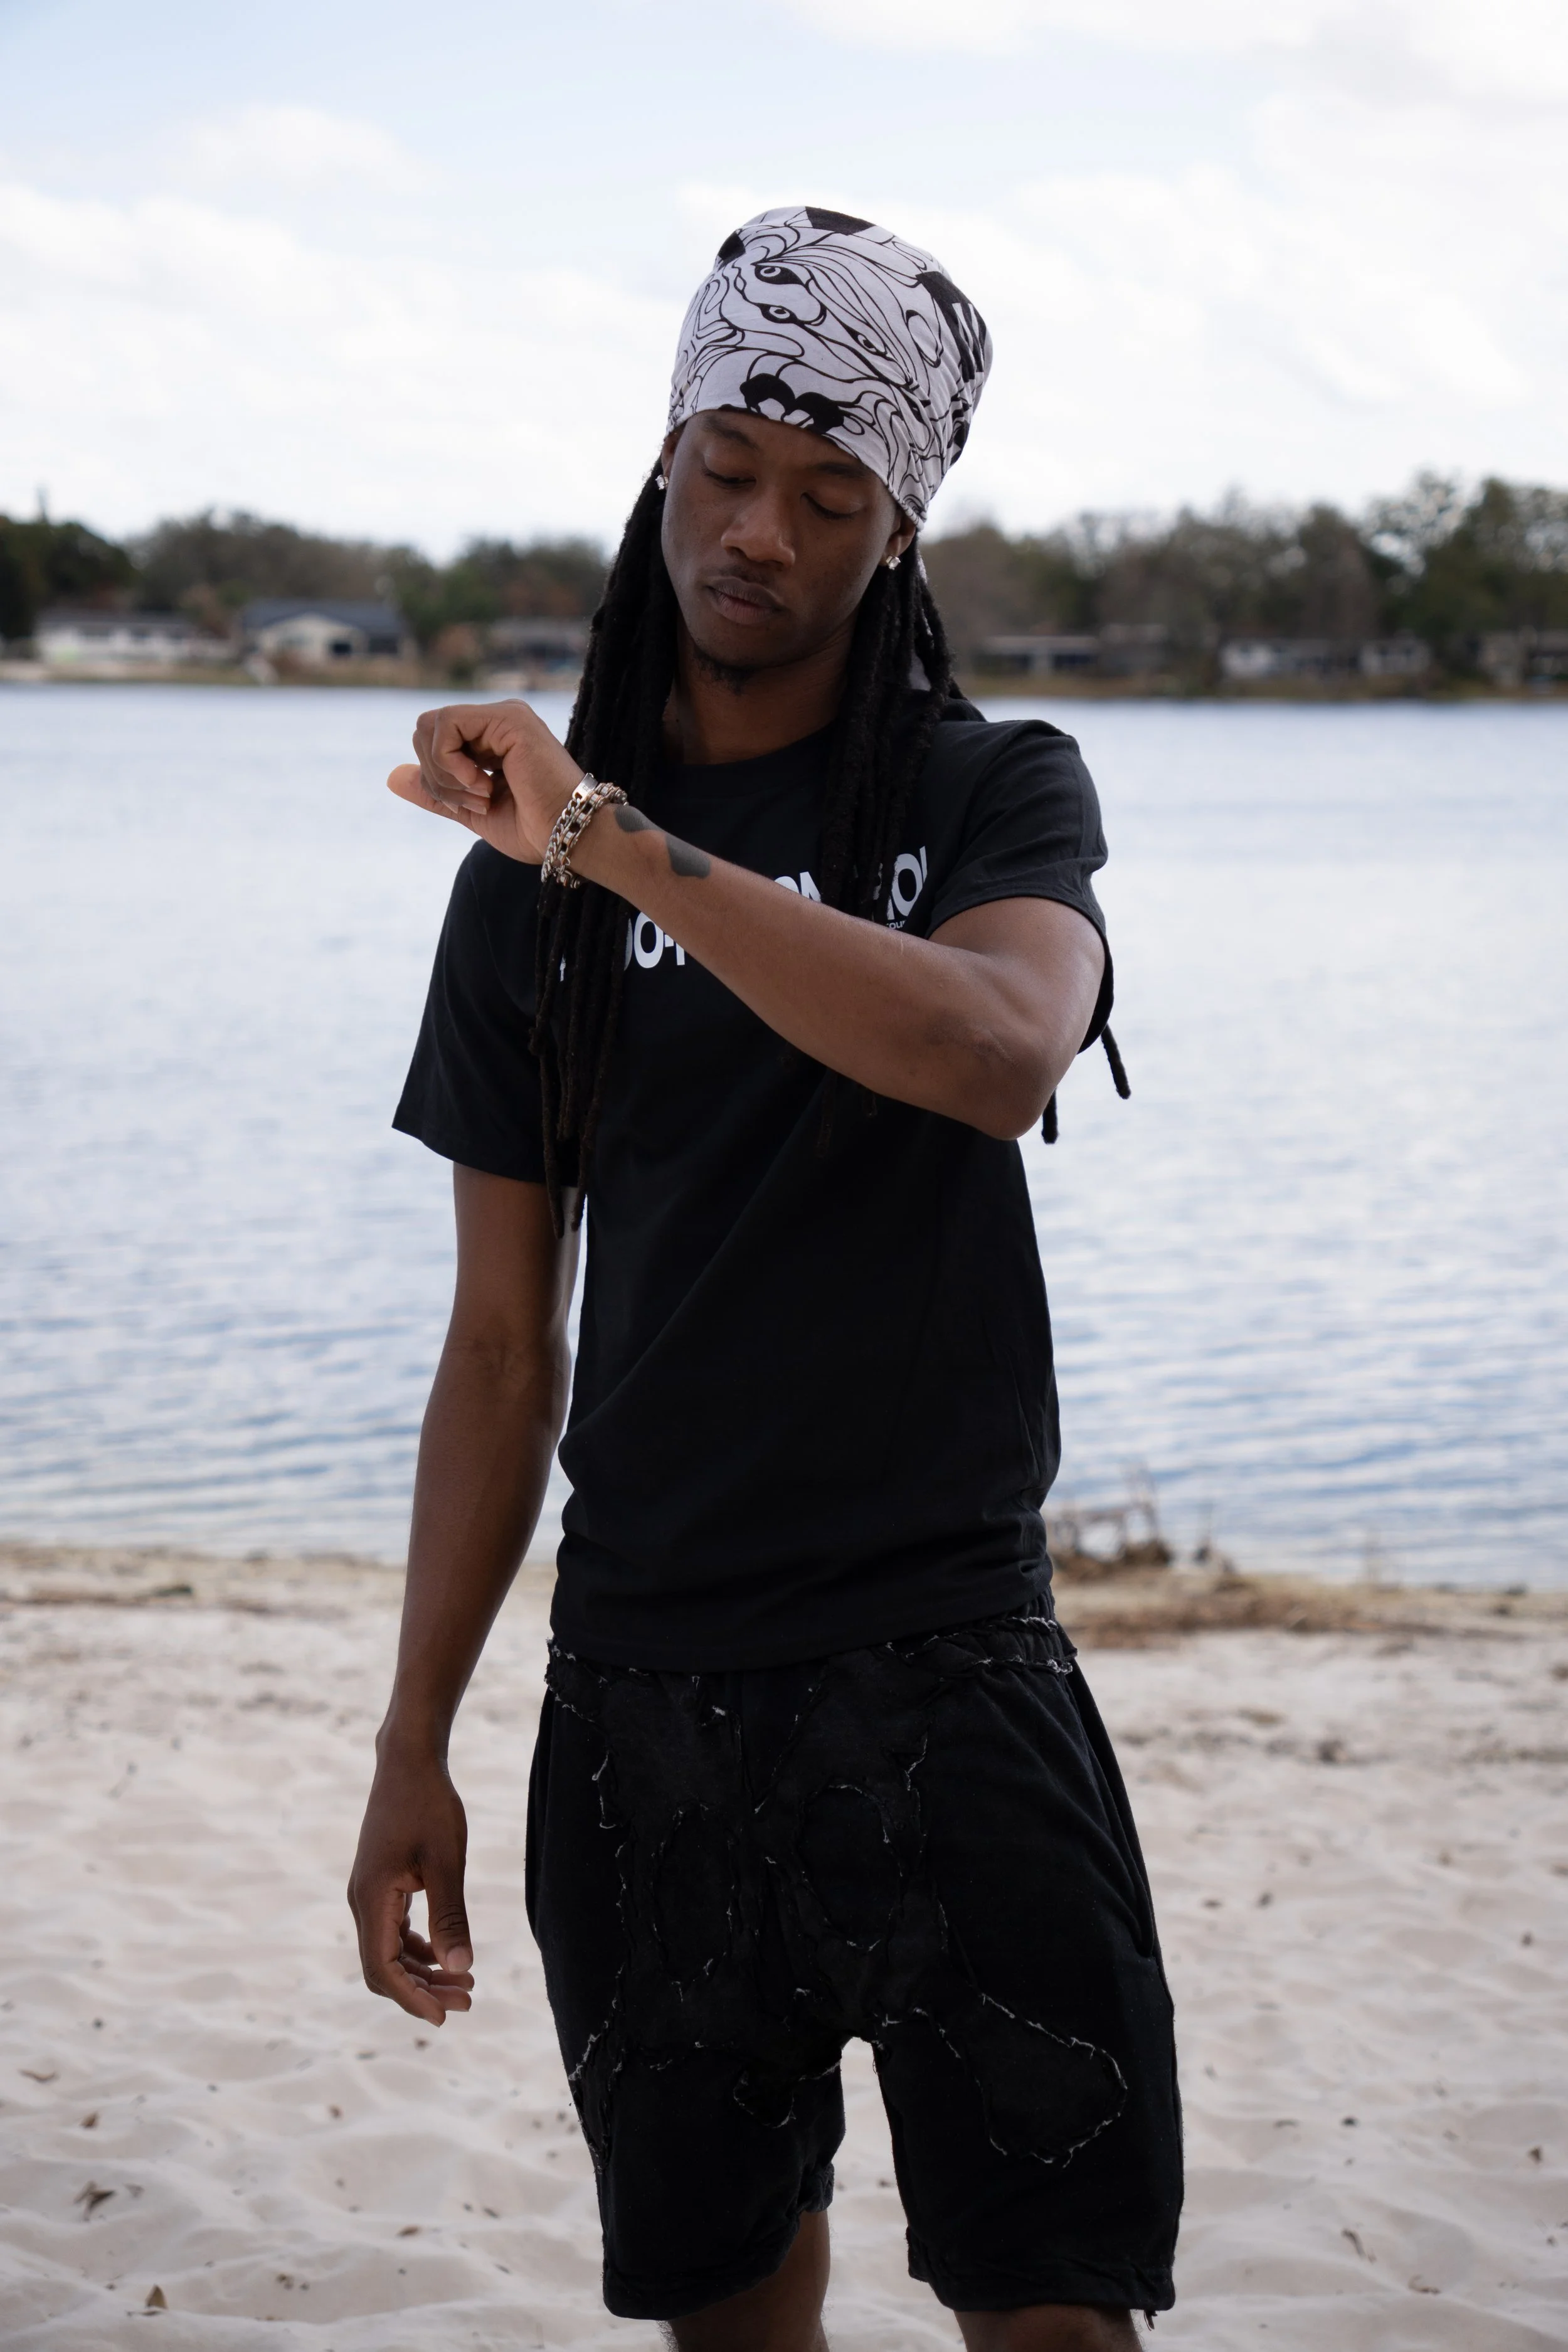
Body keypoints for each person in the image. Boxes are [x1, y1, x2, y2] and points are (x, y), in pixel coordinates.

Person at [348, 206, 1182, 2351]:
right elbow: (500, 1341)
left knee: (1060, 2315)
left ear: (896, 533)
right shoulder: (515, 903)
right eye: (724, 465)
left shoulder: (984, 788)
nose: (758, 529)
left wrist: (613, 836)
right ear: (662, 466)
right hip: (641, 1702)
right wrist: (412, 1739)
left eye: (829, 496)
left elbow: (996, 1054)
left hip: (952, 1670)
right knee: (732, 2318)